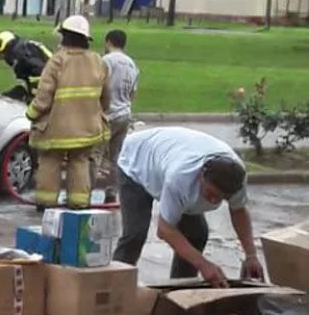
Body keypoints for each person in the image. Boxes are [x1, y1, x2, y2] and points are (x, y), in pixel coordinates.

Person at [112, 126, 265, 287]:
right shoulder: (180, 178)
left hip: (169, 154)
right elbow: (165, 229)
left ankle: (180, 291)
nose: (213, 201)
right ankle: (113, 289)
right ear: (201, 176)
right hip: (136, 160)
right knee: (135, 234)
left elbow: (238, 211)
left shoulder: (236, 180)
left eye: (221, 197)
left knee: (196, 235)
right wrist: (203, 264)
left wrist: (251, 255)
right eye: (210, 193)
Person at [26, 15, 111, 211]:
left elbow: (44, 95)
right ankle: (79, 202)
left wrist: (32, 113)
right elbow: (106, 97)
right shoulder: (98, 61)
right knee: (79, 161)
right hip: (87, 128)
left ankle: (46, 202)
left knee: (50, 161)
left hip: (57, 128)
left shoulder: (57, 61)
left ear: (64, 36)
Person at [93, 29, 139, 204]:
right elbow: (132, 93)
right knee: (116, 157)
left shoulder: (105, 61)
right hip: (124, 115)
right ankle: (111, 193)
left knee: (94, 155)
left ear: (108, 42)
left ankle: (85, 191)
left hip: (106, 115)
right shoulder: (132, 65)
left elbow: (97, 86)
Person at [0, 31, 52, 101]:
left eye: (0, 55)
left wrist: (33, 92)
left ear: (5, 47)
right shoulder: (24, 47)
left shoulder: (21, 54)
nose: (2, 59)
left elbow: (41, 69)